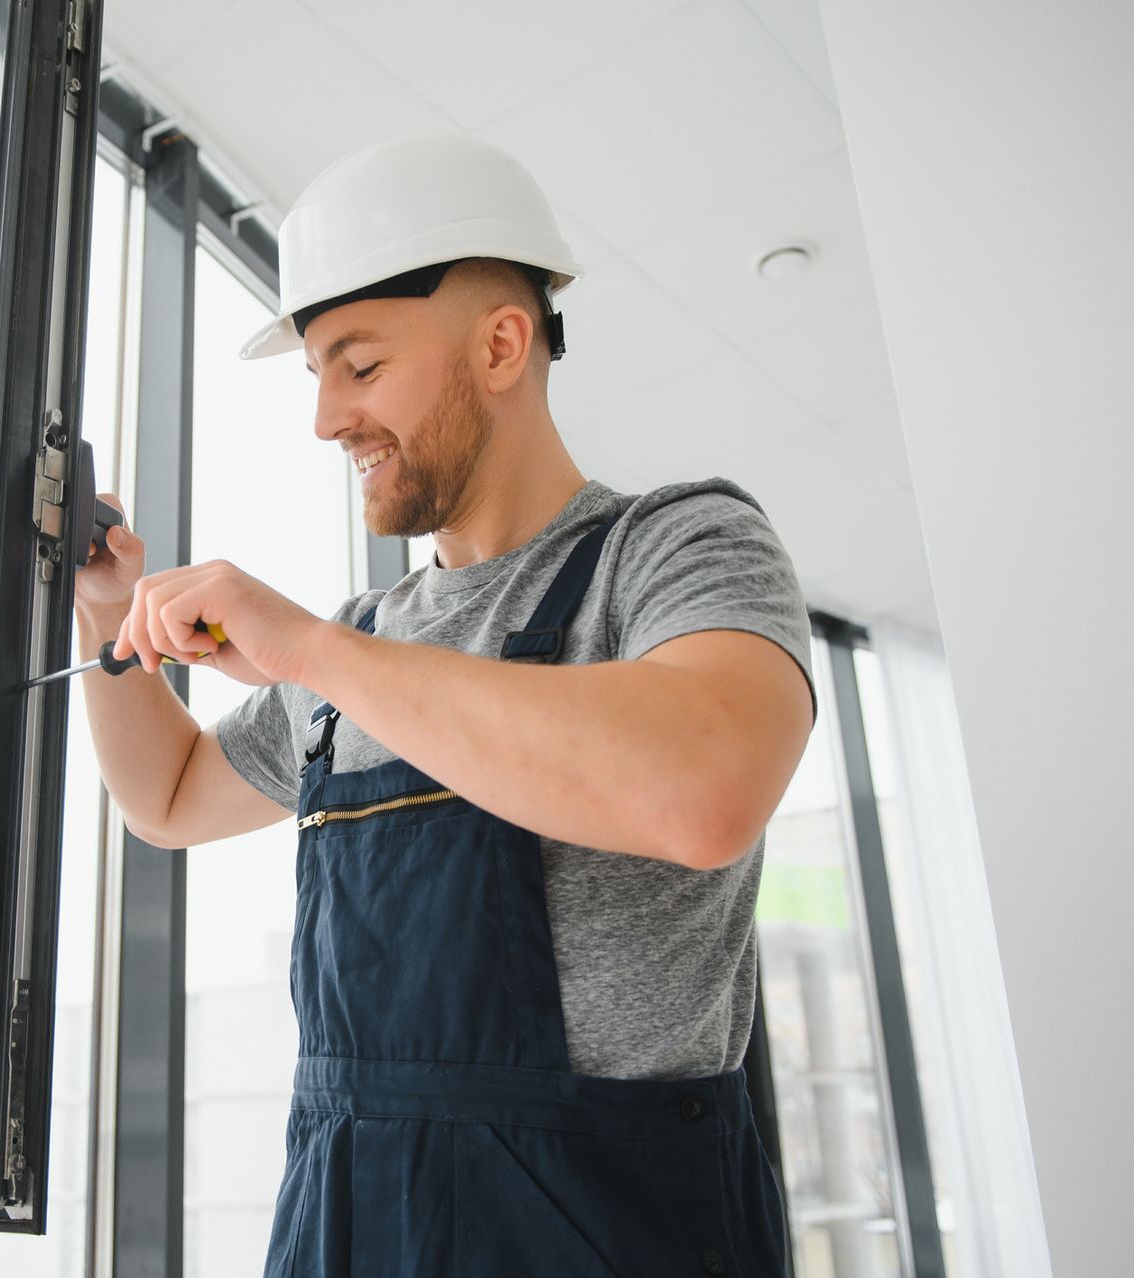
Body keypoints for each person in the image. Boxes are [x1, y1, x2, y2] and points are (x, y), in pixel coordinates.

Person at [72, 133, 814, 1276]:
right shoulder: (363, 643)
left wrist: (311, 651)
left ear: (503, 345)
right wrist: (107, 611)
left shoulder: (675, 546)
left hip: (607, 1236)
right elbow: (166, 797)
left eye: (359, 368)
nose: (325, 420)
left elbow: (706, 790)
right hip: (351, 1229)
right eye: (316, 375)